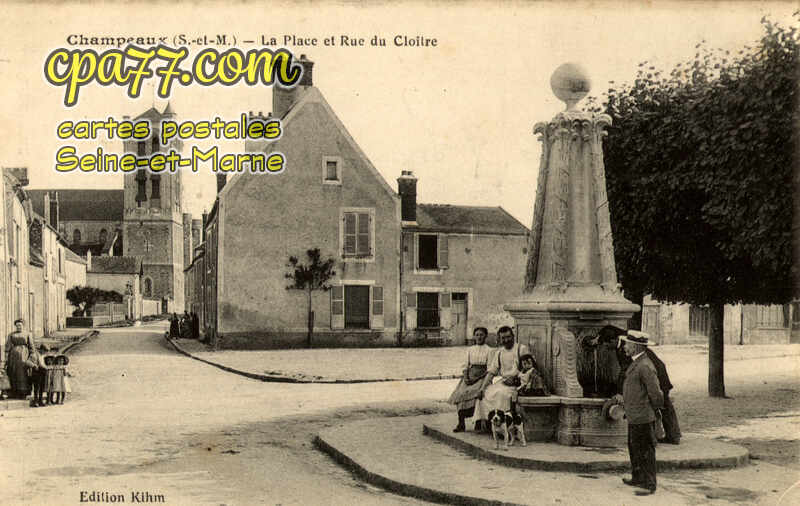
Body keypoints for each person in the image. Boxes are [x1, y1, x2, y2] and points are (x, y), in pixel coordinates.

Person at [605, 325, 681, 444]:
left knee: (663, 405)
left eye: (606, 344)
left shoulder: (625, 349)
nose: (606, 347)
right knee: (664, 406)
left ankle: (671, 436)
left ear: (613, 341)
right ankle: (672, 435)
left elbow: (625, 371)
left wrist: (620, 391)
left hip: (658, 377)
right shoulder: (627, 345)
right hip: (656, 374)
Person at [618, 330, 663, 496]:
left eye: (627, 344)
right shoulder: (637, 362)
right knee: (635, 447)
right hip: (635, 414)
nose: (624, 347)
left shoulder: (644, 365)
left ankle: (649, 484)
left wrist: (655, 411)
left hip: (643, 415)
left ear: (636, 346)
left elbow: (656, 393)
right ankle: (637, 477)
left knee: (645, 450)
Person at [476, 326, 529, 430]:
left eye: (508, 337)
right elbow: (491, 372)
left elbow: (529, 367)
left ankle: (506, 426)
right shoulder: (499, 352)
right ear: (500, 339)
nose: (506, 340)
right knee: (486, 393)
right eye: (503, 338)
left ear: (513, 336)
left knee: (502, 395)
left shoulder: (521, 349)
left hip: (519, 382)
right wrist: (482, 388)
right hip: (504, 382)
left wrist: (516, 379)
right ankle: (489, 422)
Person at [447, 327, 492, 432]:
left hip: (482, 377)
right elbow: (465, 365)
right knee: (461, 393)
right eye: (477, 334)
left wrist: (478, 378)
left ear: (486, 336)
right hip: (469, 376)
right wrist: (466, 377)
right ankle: (461, 423)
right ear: (474, 336)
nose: (479, 337)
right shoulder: (470, 349)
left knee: (477, 395)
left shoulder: (489, 350)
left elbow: (490, 368)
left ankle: (478, 422)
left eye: (481, 335)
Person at [5, 318, 34, 399]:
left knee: (24, 373)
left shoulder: (28, 334)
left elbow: (31, 347)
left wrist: (32, 357)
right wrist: (6, 357)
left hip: (24, 354)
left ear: (23, 326)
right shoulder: (11, 335)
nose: (18, 327)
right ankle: (14, 391)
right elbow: (7, 346)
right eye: (17, 326)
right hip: (13, 356)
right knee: (13, 372)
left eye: (20, 325)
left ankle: (24, 392)